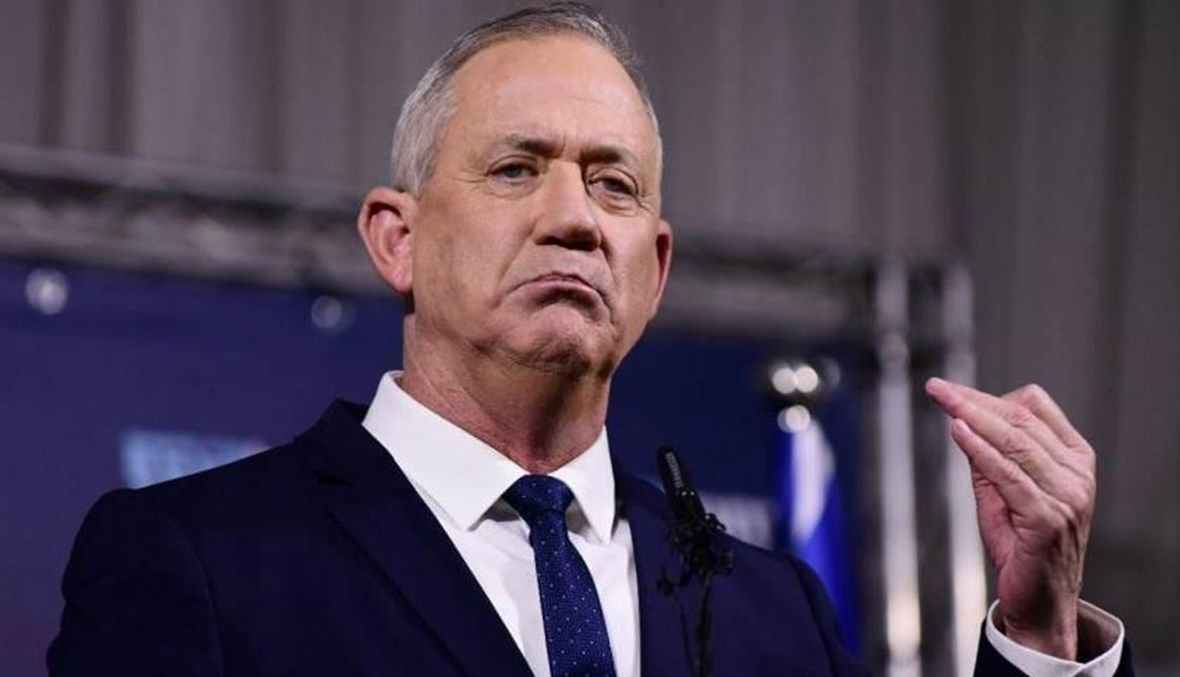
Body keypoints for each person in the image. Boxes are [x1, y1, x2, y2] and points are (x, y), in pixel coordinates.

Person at [48, 4, 1131, 676]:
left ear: (652, 269)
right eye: (516, 168)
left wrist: (1039, 633)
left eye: (612, 183)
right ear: (397, 239)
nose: (573, 217)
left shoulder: (771, 613)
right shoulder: (201, 559)